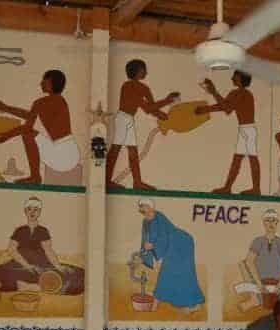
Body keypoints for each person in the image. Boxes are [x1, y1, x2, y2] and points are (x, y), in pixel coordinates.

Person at [0, 69, 80, 184]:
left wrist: (4, 136)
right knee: (29, 133)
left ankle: (35, 177)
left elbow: (27, 127)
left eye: (44, 81)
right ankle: (35, 176)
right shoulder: (59, 101)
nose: (41, 83)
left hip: (63, 154)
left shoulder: (41, 103)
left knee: (28, 135)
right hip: (69, 153)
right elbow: (29, 115)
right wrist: (5, 108)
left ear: (51, 83)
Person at [0, 195, 84, 298]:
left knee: (79, 274)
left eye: (35, 210)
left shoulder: (43, 230)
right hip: (20, 265)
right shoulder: (20, 230)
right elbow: (12, 250)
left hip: (41, 265)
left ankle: (39, 286)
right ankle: (29, 287)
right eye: (29, 209)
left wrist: (57, 266)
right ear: (25, 211)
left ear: (39, 212)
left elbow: (48, 250)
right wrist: (26, 265)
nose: (32, 212)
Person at [107, 59, 180, 190]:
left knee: (130, 151)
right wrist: (166, 102)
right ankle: (114, 180)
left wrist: (162, 114)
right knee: (118, 150)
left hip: (126, 119)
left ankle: (136, 182)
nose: (146, 72)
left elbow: (150, 108)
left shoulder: (141, 88)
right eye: (144, 69)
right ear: (138, 71)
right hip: (124, 118)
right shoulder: (130, 86)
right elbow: (147, 107)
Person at [134, 198, 205, 313]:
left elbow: (164, 236)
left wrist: (153, 247)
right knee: (169, 273)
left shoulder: (159, 217)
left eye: (145, 207)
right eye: (141, 208)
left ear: (151, 207)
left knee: (181, 272)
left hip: (181, 243)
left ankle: (193, 304)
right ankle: (183, 303)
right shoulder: (145, 222)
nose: (143, 210)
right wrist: (144, 254)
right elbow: (145, 240)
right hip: (170, 246)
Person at [196, 71, 260, 195]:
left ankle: (254, 188)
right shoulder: (236, 93)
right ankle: (228, 187)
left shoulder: (244, 93)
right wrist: (206, 109)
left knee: (249, 159)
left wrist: (214, 92)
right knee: (239, 159)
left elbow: (227, 108)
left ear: (241, 79)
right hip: (245, 130)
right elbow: (223, 106)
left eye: (234, 77)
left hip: (248, 130)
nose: (232, 78)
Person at [234, 208, 280, 312]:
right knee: (242, 264)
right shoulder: (258, 241)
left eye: (273, 220)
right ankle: (254, 298)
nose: (271, 223)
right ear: (263, 223)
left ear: (277, 223)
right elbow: (249, 262)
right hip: (259, 281)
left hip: (279, 282)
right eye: (268, 220)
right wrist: (259, 285)